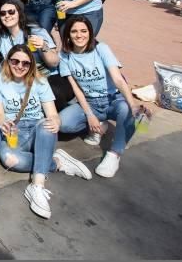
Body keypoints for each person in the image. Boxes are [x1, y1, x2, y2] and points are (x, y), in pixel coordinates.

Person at [0, 45, 91, 219]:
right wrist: (3, 123)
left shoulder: (39, 81)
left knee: (47, 124)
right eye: (15, 61)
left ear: (31, 66)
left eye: (25, 63)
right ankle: (56, 162)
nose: (20, 66)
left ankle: (37, 186)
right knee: (10, 160)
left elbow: (52, 114)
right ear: (8, 62)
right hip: (14, 131)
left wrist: (56, 122)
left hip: (37, 128)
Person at [57, 17, 143, 177]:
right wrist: (90, 115)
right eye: (74, 31)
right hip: (90, 102)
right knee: (63, 124)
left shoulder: (101, 48)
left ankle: (114, 154)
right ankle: (97, 127)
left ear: (90, 33)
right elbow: (76, 88)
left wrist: (133, 104)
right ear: (68, 35)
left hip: (112, 99)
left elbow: (118, 79)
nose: (79, 35)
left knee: (128, 110)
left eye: (84, 31)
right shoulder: (65, 55)